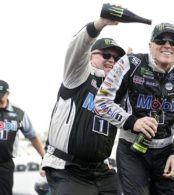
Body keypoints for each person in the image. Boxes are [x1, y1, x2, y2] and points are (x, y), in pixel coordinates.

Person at [94, 22, 174, 195]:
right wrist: (132, 122)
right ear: (150, 45)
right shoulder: (129, 63)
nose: (167, 45)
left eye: (173, 42)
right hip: (131, 150)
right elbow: (101, 101)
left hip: (166, 151)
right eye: (160, 40)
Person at [41, 11, 126, 195]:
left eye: (116, 58)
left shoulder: (118, 91)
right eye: (105, 55)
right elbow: (76, 49)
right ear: (90, 56)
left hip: (101, 171)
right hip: (67, 168)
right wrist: (99, 24)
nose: (111, 60)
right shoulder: (78, 75)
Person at [0, 80, 45, 195]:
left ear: (7, 94)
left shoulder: (18, 113)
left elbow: (33, 136)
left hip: (5, 165)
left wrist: (44, 157)